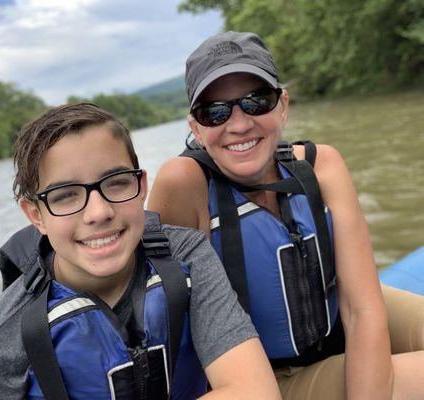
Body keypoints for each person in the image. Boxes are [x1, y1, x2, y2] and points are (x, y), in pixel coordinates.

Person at [147, 31, 424, 399]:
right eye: (214, 112)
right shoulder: (184, 184)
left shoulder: (319, 165)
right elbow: (161, 325)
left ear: (283, 105)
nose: (239, 124)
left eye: (256, 101)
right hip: (272, 378)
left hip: (336, 320)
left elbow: (361, 308)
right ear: (195, 128)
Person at [0, 103, 282, 399]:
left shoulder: (188, 255)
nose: (98, 212)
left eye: (116, 182)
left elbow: (257, 392)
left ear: (141, 186)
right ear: (35, 215)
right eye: (65, 195)